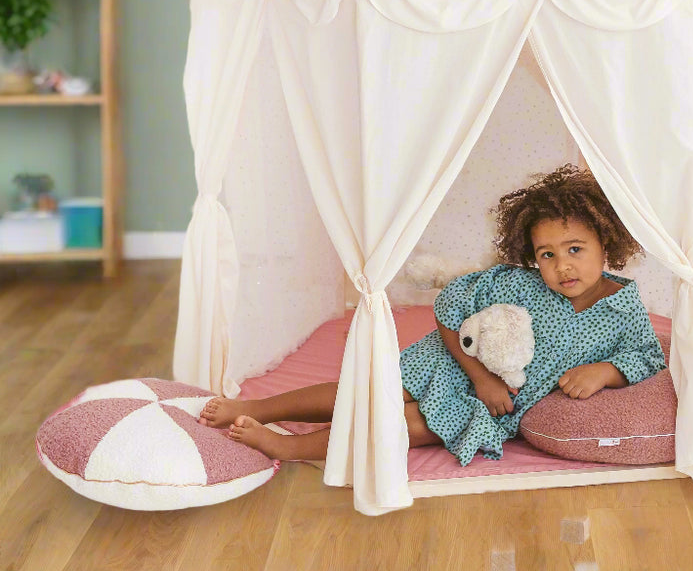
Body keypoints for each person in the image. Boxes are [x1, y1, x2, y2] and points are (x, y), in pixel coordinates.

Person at [197, 164, 666, 464]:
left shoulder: (624, 309)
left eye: (575, 249)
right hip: (450, 368)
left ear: (608, 242)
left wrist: (604, 371)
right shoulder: (516, 282)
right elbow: (448, 306)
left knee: (407, 427)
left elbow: (648, 357)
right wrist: (478, 374)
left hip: (487, 407)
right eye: (546, 254)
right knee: (364, 391)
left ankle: (290, 447)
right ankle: (256, 408)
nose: (561, 265)